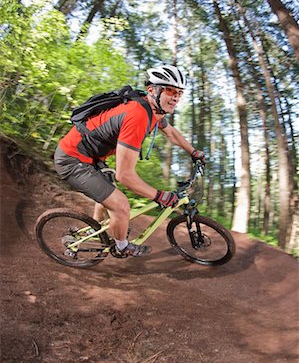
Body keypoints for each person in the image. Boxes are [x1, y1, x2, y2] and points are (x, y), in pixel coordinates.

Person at [54, 64, 205, 257]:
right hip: (71, 159)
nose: (175, 97)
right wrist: (160, 196)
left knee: (109, 191)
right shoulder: (138, 115)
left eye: (180, 93)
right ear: (152, 90)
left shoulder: (154, 111)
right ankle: (122, 247)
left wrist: (194, 152)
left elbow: (171, 133)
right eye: (170, 90)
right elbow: (125, 175)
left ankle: (94, 230)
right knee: (121, 205)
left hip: (90, 156)